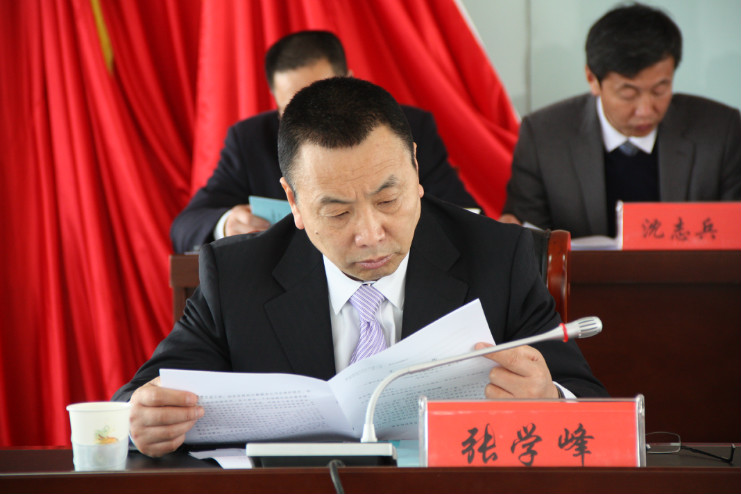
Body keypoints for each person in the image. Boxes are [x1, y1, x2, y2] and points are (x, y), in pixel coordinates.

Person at [113, 77, 606, 457]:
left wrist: (550, 401)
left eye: (388, 199)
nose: (370, 233)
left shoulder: (500, 257)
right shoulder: (238, 276)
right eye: (338, 212)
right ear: (294, 202)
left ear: (415, 169)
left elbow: (592, 407)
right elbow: (132, 404)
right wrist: (140, 423)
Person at [171, 30, 479, 253]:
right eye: (293, 109)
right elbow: (187, 226)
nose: (313, 121)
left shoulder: (406, 125)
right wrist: (227, 223)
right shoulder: (249, 140)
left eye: (325, 101)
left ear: (351, 81)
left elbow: (462, 215)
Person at [500, 3, 741, 238]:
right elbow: (529, 241)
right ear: (592, 79)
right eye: (628, 94)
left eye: (659, 90)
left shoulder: (721, 131)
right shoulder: (543, 137)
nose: (646, 110)